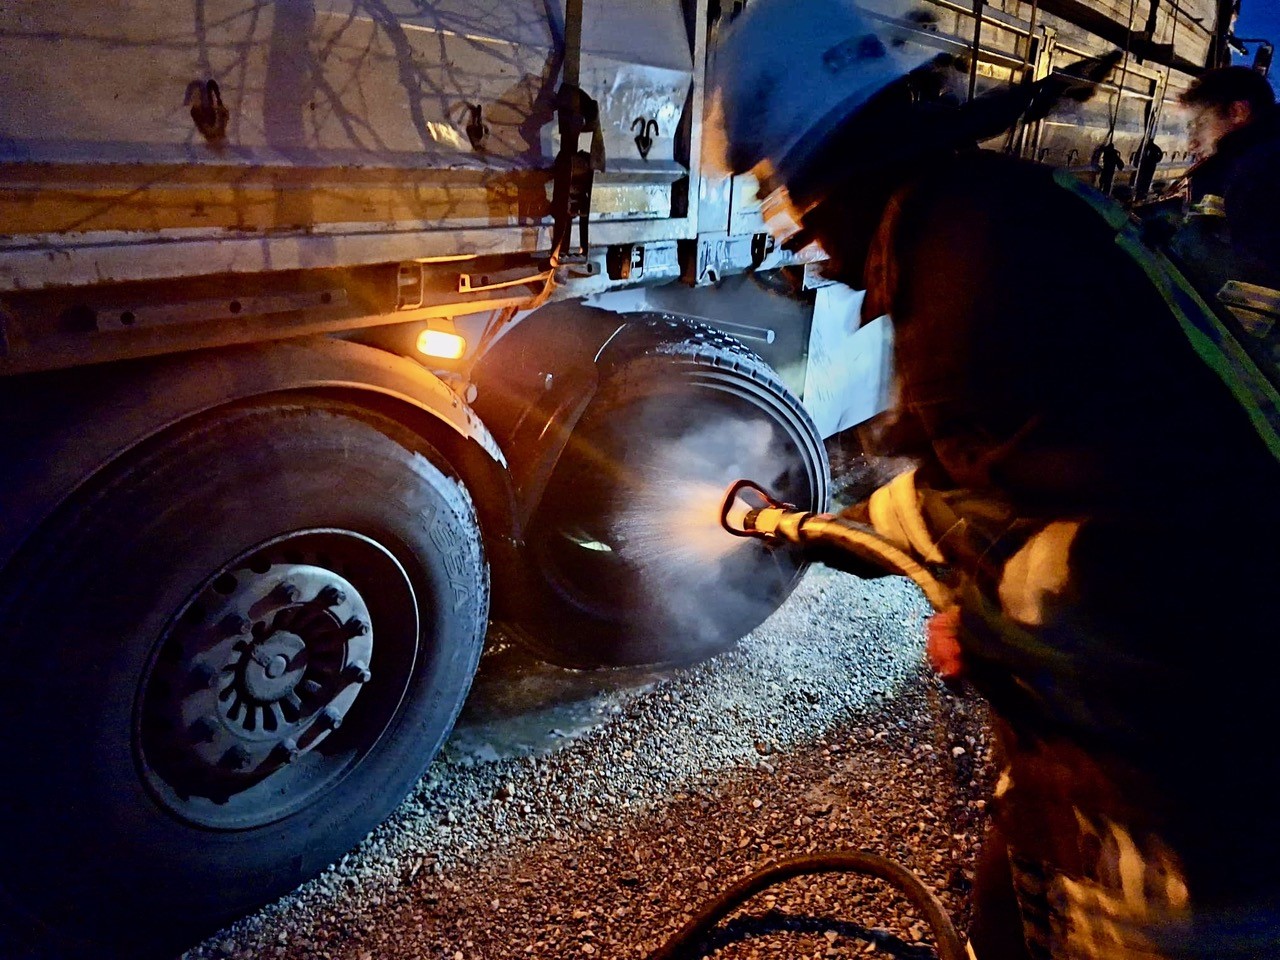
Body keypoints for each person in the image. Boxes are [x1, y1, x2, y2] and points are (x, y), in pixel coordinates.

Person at [712, 2, 1280, 958]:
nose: (795, 226)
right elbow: (983, 480)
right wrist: (829, 531)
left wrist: (984, 623)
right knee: (1004, 902)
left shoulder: (973, 267)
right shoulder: (985, 214)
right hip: (1156, 720)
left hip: (1196, 778)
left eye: (788, 187)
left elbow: (1148, 551)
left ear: (837, 167)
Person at [1174, 66, 1280, 290]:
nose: (1192, 143)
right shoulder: (1256, 158)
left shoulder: (1258, 169)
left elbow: (1251, 270)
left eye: (1200, 124)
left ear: (1237, 112)